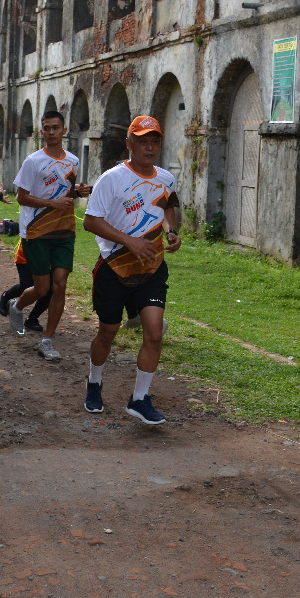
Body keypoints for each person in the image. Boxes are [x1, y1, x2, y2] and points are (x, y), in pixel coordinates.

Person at [82, 115, 181, 425]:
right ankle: (94, 381)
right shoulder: (111, 179)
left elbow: (167, 205)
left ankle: (139, 399)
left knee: (154, 332)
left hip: (152, 267)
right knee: (107, 333)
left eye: (154, 142)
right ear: (129, 144)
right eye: (142, 142)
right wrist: (130, 241)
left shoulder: (165, 178)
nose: (149, 147)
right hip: (114, 266)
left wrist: (171, 231)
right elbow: (90, 221)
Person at [7, 110, 90, 362]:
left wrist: (78, 191)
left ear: (64, 130)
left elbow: (65, 190)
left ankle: (47, 340)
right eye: (46, 128)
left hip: (64, 230)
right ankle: (17, 306)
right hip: (36, 230)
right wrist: (53, 204)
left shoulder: (73, 160)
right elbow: (21, 197)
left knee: (60, 284)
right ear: (41, 131)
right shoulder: (33, 161)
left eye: (55, 127)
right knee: (42, 288)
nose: (51, 132)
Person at [0, 240, 51, 332]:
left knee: (49, 290)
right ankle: (6, 296)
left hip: (48, 259)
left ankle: (32, 319)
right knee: (27, 286)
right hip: (26, 256)